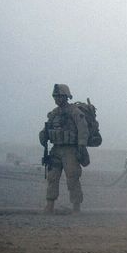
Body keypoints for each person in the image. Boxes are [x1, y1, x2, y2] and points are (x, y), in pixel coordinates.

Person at [40, 84, 89, 214]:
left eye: (59, 96)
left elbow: (83, 129)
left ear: (66, 97)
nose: (57, 99)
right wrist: (43, 136)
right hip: (56, 149)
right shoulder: (54, 113)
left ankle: (76, 207)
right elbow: (46, 129)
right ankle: (50, 205)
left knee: (72, 178)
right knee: (52, 177)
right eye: (55, 96)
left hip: (70, 150)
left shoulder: (75, 112)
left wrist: (81, 146)